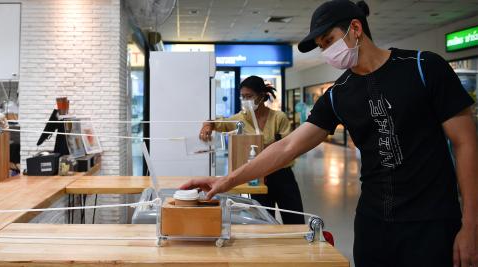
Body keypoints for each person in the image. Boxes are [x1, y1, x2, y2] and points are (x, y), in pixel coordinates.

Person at [181, 1, 478, 266]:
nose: (327, 52)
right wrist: (227, 180)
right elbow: (287, 148)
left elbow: (465, 143)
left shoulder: (423, 68)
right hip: (374, 224)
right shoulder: (339, 95)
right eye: (322, 47)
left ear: (356, 28)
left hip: (433, 223)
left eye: (329, 41)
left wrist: (472, 224)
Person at [200, 75, 304, 224]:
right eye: (243, 97)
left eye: (249, 96)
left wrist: (264, 146)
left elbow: (288, 146)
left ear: (261, 96)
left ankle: (298, 246)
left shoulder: (278, 118)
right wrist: (208, 125)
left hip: (282, 175)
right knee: (264, 220)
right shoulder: (241, 119)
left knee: (295, 219)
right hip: (257, 174)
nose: (245, 101)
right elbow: (219, 123)